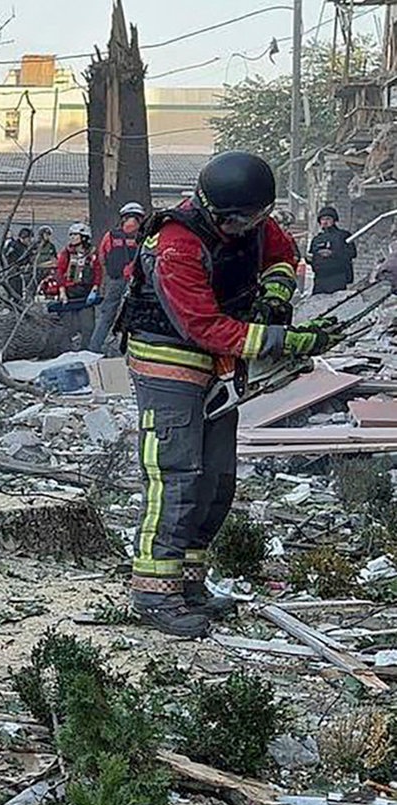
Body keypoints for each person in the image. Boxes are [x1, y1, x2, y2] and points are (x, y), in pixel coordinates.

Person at [119, 150, 340, 638]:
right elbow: (204, 327)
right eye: (233, 220)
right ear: (213, 209)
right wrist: (285, 341)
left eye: (251, 219)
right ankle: (154, 592)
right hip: (168, 358)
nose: (241, 228)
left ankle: (188, 581)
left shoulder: (259, 225)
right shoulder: (175, 244)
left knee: (216, 477)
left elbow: (284, 256)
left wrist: (276, 294)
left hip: (218, 360)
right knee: (175, 475)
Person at [89, 201, 146, 355]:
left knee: (106, 315)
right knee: (136, 317)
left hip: (114, 280)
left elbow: (102, 257)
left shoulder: (111, 236)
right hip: (138, 283)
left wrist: (106, 278)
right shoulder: (145, 237)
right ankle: (130, 352)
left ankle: (94, 349)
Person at [308, 205, 356, 294]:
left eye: (328, 219)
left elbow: (352, 254)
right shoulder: (317, 239)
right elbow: (312, 255)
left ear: (334, 220)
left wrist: (332, 254)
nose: (325, 222)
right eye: (323, 219)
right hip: (320, 279)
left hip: (337, 277)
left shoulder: (343, 236)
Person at [56, 222, 100, 303]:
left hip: (86, 292)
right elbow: (60, 272)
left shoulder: (92, 253)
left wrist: (94, 290)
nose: (72, 237)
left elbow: (97, 272)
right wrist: (62, 292)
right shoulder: (67, 253)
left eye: (75, 235)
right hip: (69, 292)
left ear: (84, 237)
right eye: (71, 235)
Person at [3, 226, 33, 301]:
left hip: (21, 272)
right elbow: (7, 257)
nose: (30, 241)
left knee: (19, 291)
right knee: (14, 291)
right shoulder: (14, 245)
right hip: (13, 272)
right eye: (28, 239)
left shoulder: (26, 247)